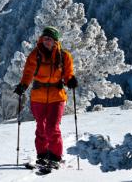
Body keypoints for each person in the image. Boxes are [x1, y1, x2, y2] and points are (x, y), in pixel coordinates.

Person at [13, 26, 78, 169]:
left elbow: (68, 74)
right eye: (44, 38)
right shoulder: (35, 55)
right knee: (41, 128)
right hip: (38, 96)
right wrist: (23, 86)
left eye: (49, 39)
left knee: (52, 127)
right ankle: (42, 156)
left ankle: (55, 157)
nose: (46, 41)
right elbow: (28, 73)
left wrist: (71, 80)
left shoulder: (64, 56)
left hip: (57, 97)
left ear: (55, 41)